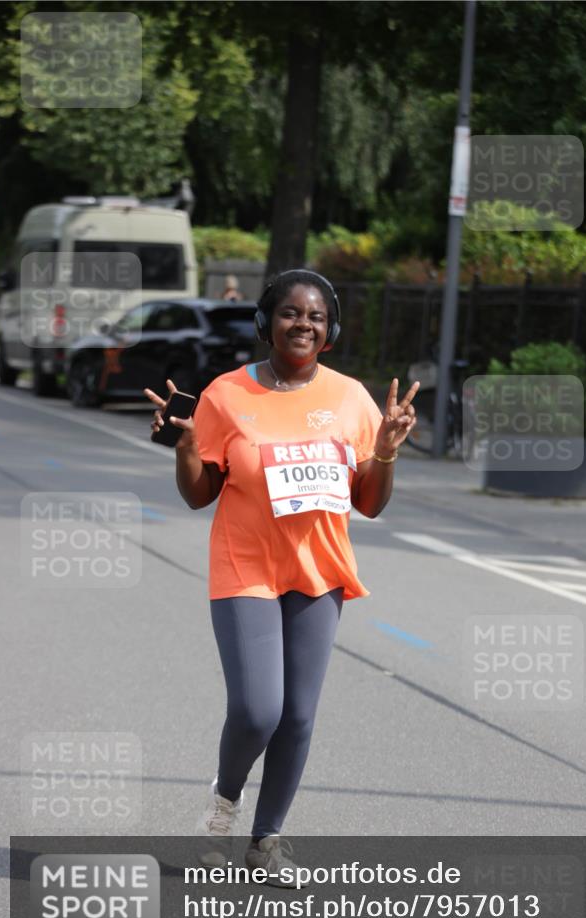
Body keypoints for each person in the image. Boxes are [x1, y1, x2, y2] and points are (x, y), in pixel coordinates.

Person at [144, 269, 419, 885]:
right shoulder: (225, 394)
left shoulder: (352, 399)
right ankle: (224, 805)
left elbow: (369, 502)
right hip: (246, 568)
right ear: (267, 325)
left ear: (330, 331)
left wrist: (389, 448)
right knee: (257, 709)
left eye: (317, 317)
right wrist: (188, 447)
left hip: (319, 572)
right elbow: (199, 495)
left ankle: (267, 839)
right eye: (291, 314)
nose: (304, 325)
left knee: (297, 715)